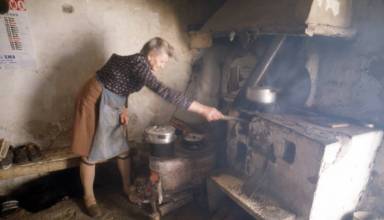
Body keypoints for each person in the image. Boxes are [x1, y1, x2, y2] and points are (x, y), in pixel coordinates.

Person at [71, 37, 224, 217]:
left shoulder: (140, 67)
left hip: (115, 102)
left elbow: (124, 86)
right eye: (163, 61)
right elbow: (164, 91)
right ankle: (89, 198)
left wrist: (124, 107)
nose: (163, 65)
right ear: (151, 55)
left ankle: (127, 188)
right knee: (90, 152)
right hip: (95, 99)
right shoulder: (138, 63)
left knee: (122, 149)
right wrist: (203, 109)